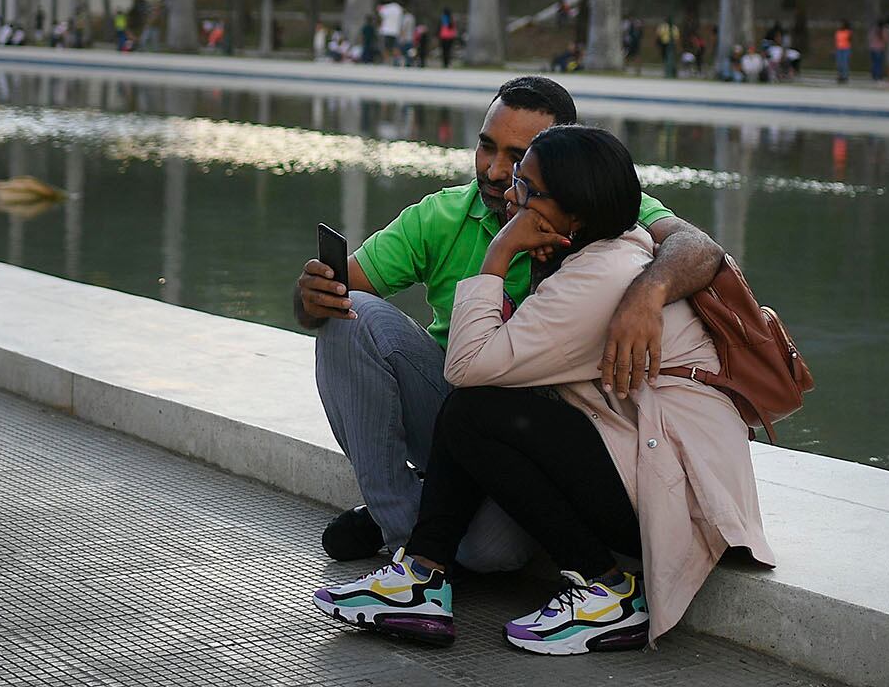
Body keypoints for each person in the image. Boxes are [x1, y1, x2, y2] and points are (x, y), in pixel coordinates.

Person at [313, 124, 770, 654]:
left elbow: (466, 366)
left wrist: (500, 251)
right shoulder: (606, 253)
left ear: (574, 214)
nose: (509, 191)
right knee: (484, 408)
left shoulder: (599, 281)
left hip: (673, 496)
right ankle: (420, 576)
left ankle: (608, 590)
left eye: (527, 188)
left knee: (475, 408)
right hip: (649, 464)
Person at [294, 77, 725, 574]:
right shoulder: (443, 214)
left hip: (539, 439)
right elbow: (334, 297)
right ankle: (402, 539)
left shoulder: (600, 209)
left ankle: (422, 519)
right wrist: (311, 297)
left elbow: (700, 249)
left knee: (489, 555)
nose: (496, 171)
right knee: (351, 318)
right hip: (456, 403)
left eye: (518, 158)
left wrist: (646, 293)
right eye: (486, 146)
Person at [378, 0, 406, 65]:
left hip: (386, 31)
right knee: (395, 47)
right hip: (395, 31)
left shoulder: (385, 8)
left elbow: (380, 15)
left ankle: (386, 61)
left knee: (386, 48)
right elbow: (400, 21)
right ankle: (398, 60)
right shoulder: (399, 9)